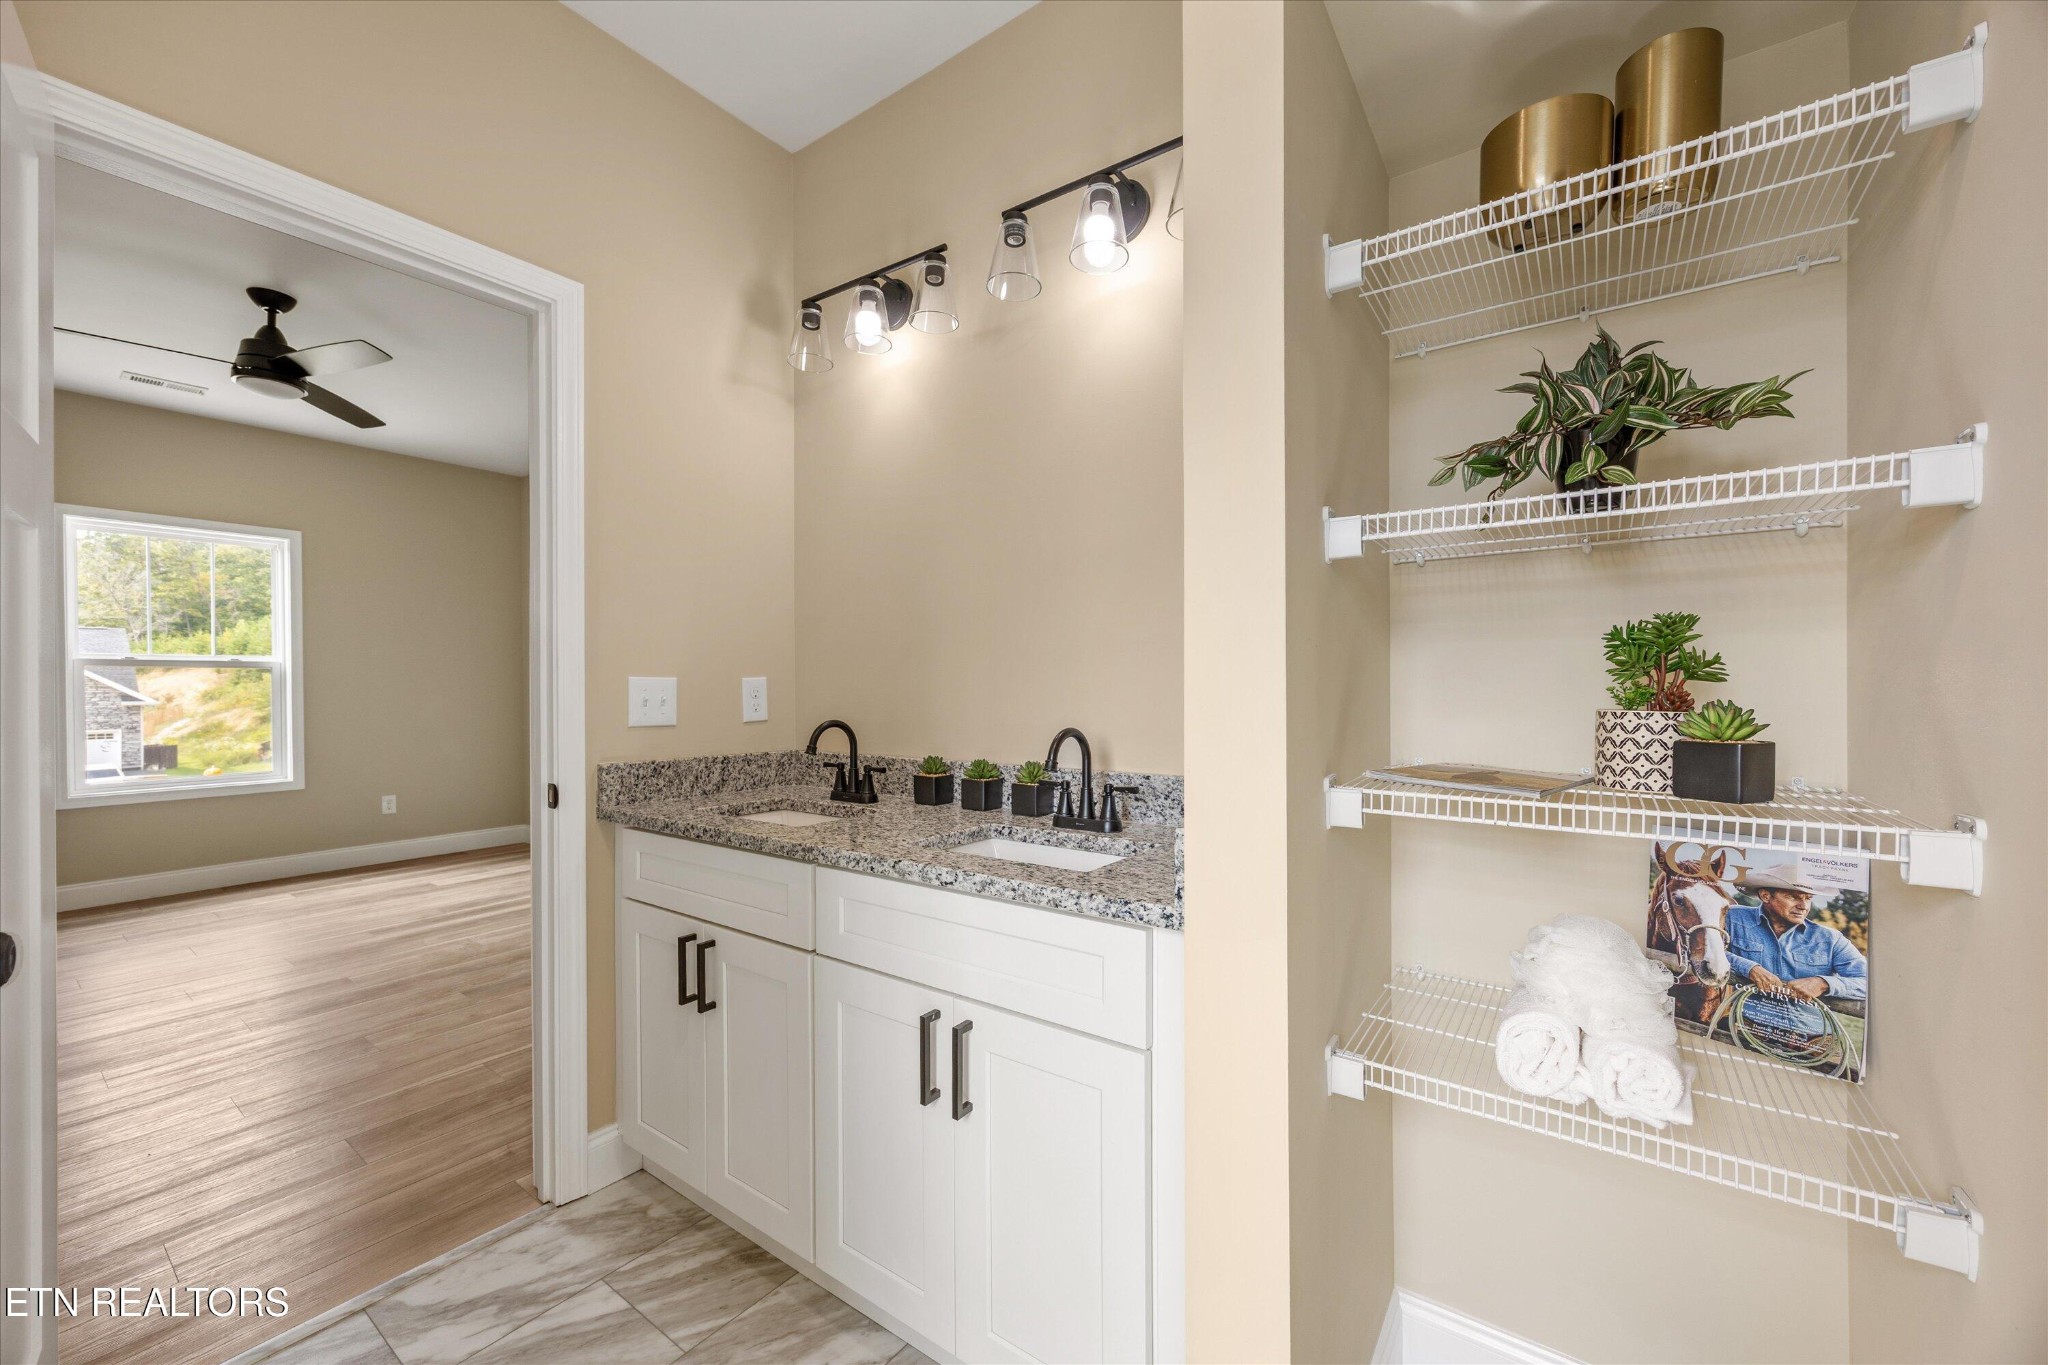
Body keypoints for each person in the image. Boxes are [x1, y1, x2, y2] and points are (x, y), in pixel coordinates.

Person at [1723, 863, 1866, 1044]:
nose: (1803, 906)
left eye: (1808, 898)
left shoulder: (1831, 939)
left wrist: (1823, 983)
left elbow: (1867, 982)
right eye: (1792, 897)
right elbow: (1702, 950)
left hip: (1813, 1039)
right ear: (1765, 895)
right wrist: (1749, 968)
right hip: (1748, 1027)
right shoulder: (1732, 918)